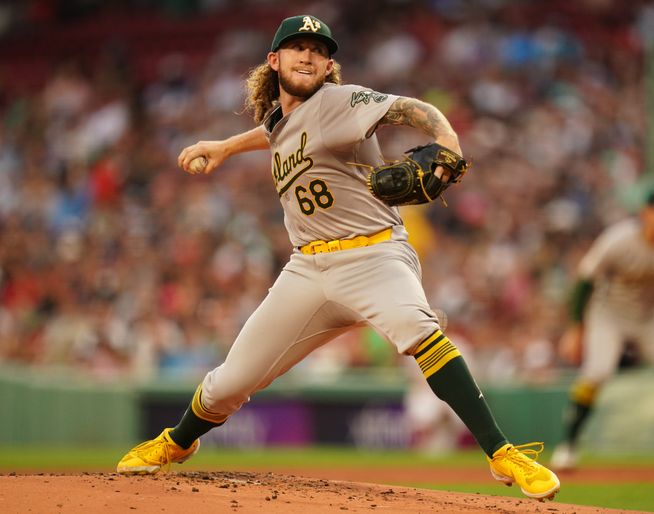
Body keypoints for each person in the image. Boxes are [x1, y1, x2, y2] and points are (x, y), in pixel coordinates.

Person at [115, 14, 560, 500]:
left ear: (329, 66)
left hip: (374, 255)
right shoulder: (284, 121)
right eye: (297, 46)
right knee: (227, 385)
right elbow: (275, 132)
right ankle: (176, 443)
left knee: (420, 332)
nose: (307, 54)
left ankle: (502, 453)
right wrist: (224, 146)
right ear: (274, 60)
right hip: (307, 269)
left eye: (318, 49)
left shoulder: (339, 100)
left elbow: (413, 109)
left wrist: (448, 141)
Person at [551, 184, 654, 478]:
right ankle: (568, 447)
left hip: (651, 316)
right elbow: (586, 281)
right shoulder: (619, 240)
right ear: (645, 212)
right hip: (608, 312)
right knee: (597, 372)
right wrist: (576, 329)